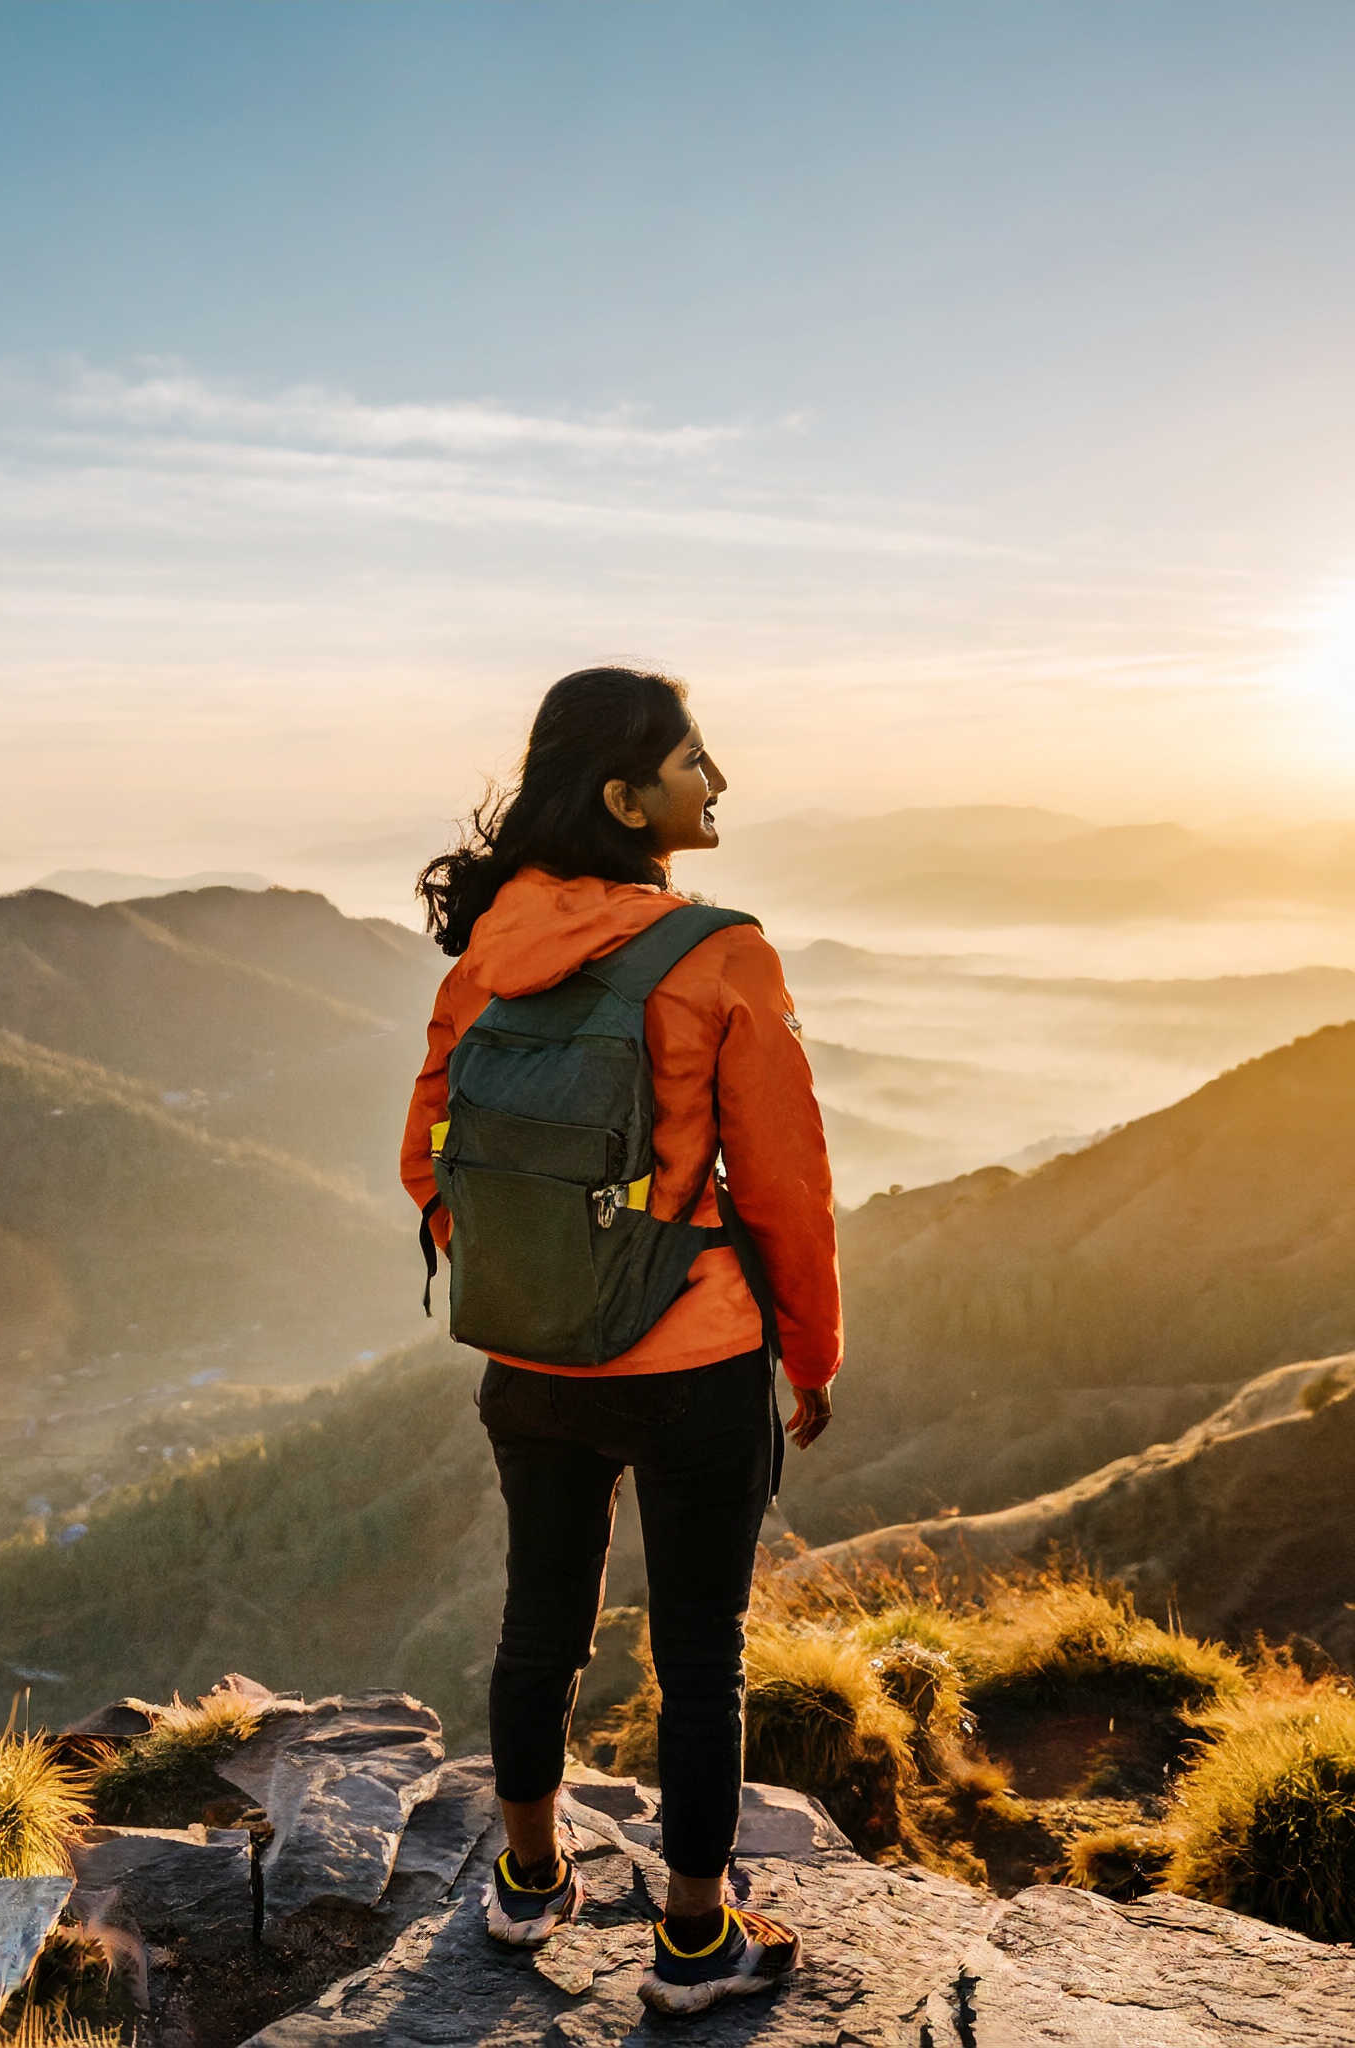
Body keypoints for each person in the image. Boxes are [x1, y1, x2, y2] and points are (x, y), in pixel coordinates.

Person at [400, 666, 842, 2017]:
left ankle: (529, 1883)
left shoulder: (493, 946)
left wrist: (532, 1280)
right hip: (692, 1361)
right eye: (696, 760)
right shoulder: (718, 954)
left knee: (541, 1623)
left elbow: (428, 1154)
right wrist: (810, 1358)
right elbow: (781, 1187)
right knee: (700, 1653)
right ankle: (695, 1949)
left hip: (528, 1366)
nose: (718, 782)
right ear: (625, 795)